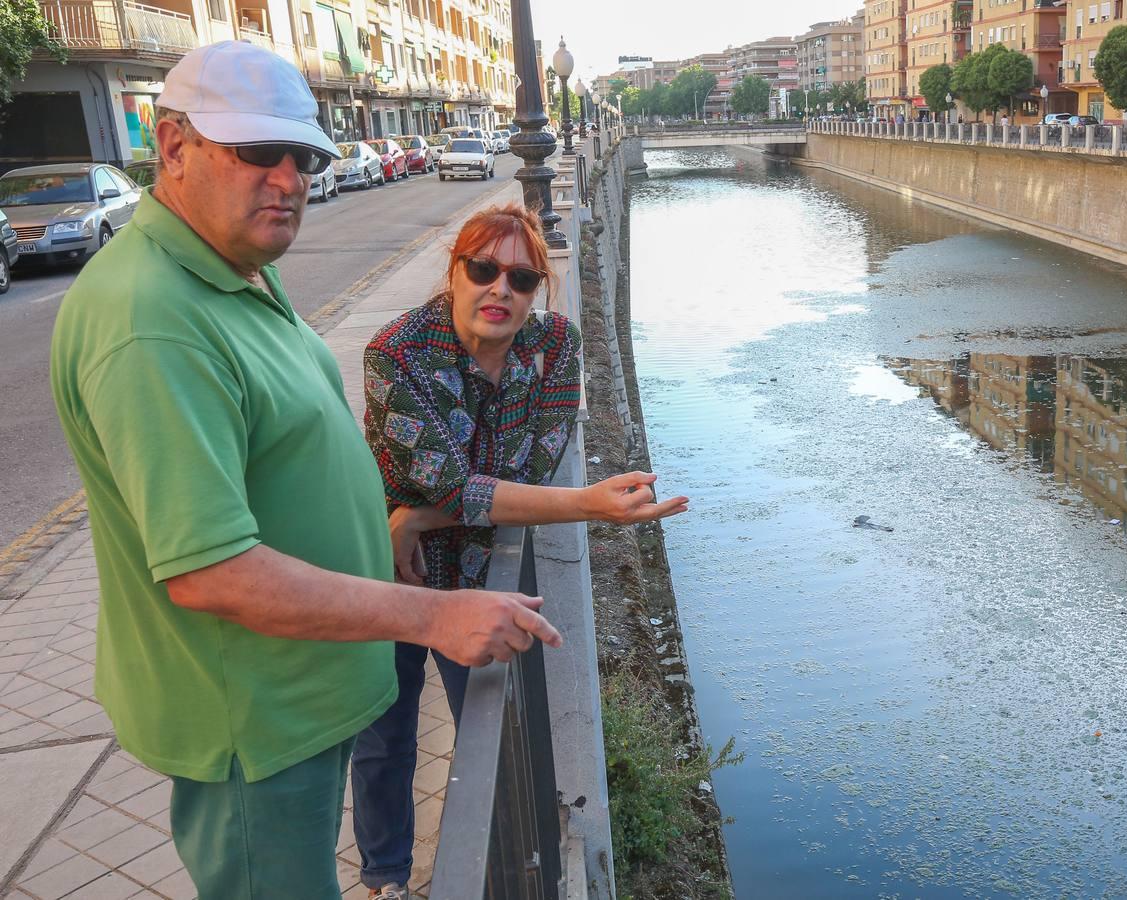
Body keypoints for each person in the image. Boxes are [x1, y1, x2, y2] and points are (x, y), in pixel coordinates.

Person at [50, 41, 561, 898]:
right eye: (256, 152)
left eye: (304, 156)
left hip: (301, 697)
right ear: (173, 147)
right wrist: (435, 614)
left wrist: (381, 524)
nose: (288, 180)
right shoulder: (152, 319)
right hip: (255, 723)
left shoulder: (232, 269)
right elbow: (212, 573)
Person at [350, 203, 689, 899]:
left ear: (538, 290)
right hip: (383, 565)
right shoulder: (396, 356)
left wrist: (419, 517)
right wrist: (589, 504)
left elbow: (526, 472)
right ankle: (385, 878)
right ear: (454, 273)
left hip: (468, 568)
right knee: (384, 727)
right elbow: (463, 485)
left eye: (522, 278)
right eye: (483, 270)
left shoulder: (554, 348)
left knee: (494, 726)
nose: (500, 290)